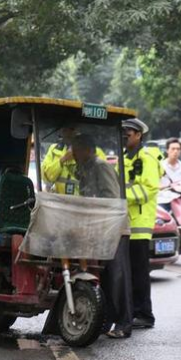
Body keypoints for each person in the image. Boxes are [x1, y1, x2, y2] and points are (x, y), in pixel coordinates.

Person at [71, 133, 132, 338]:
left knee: (117, 276)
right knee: (104, 276)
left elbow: (111, 198)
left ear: (87, 149)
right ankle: (106, 321)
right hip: (99, 228)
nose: (72, 153)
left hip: (114, 227)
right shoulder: (84, 168)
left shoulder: (101, 166)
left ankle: (124, 324)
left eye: (75, 149)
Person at [112, 118, 160, 337]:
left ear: (139, 135)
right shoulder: (122, 158)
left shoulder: (147, 158)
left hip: (139, 223)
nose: (125, 136)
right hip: (124, 221)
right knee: (128, 272)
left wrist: (122, 198)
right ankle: (133, 312)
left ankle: (145, 314)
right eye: (123, 133)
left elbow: (149, 188)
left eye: (129, 133)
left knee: (139, 272)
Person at [41, 125, 105, 195]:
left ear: (78, 131)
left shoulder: (94, 151)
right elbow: (46, 177)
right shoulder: (54, 150)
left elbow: (101, 181)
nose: (68, 132)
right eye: (65, 129)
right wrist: (63, 159)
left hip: (84, 202)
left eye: (72, 129)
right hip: (59, 202)